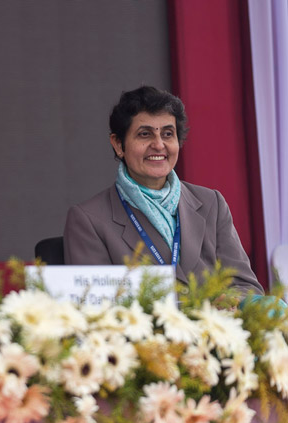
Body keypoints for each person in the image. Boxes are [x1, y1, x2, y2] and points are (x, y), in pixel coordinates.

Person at [63, 86, 264, 296]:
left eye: (168, 134)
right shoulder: (89, 220)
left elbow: (246, 287)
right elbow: (96, 310)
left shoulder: (211, 203)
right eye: (144, 134)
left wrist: (231, 303)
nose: (159, 145)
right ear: (118, 144)